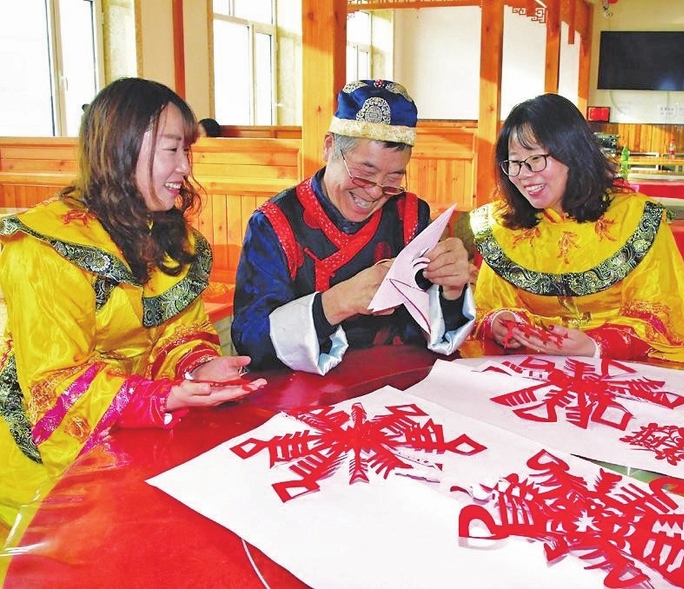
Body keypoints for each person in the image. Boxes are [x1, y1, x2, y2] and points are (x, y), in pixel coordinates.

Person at [0, 77, 266, 528]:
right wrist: (160, 397)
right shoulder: (46, 249)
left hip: (138, 423)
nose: (185, 167)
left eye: (187, 150)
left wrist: (198, 367)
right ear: (121, 148)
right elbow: (54, 382)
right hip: (49, 454)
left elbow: (181, 330)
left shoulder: (162, 232)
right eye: (172, 149)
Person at [232, 80, 475, 375]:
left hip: (398, 385)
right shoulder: (275, 223)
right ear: (329, 146)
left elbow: (425, 330)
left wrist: (450, 289)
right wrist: (337, 302)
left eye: (392, 180)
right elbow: (249, 341)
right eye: (363, 173)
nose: (374, 193)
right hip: (306, 395)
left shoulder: (409, 214)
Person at [467, 93, 684, 364]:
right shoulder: (505, 225)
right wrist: (498, 322)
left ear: (572, 154)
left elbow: (661, 314)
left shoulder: (635, 218)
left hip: (620, 366)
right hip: (530, 366)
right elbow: (487, 306)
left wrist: (595, 344)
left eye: (535, 159)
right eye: (514, 162)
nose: (523, 174)